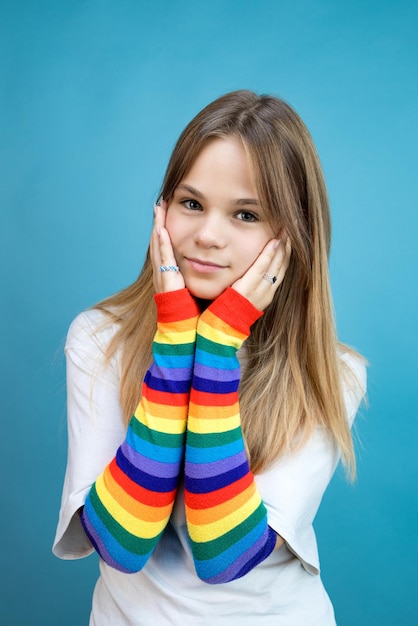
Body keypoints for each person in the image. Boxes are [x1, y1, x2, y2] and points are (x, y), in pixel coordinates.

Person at [53, 89, 366, 625]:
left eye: (246, 214)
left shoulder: (330, 374)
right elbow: (122, 543)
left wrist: (219, 344)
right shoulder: (98, 339)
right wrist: (177, 340)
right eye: (191, 203)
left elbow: (225, 556)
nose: (206, 236)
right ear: (163, 209)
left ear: (290, 238)